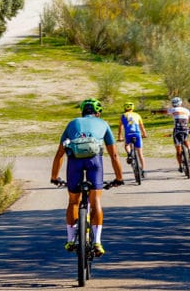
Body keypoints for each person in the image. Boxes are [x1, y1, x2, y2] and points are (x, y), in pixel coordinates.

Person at [50, 98, 124, 257]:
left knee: (73, 201)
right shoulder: (103, 123)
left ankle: (70, 239)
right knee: (95, 200)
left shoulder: (72, 123)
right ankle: (97, 241)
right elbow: (114, 155)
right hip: (94, 161)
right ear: (98, 113)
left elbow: (59, 154)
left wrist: (54, 177)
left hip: (74, 162)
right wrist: (119, 178)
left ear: (82, 111)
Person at [117, 101, 148, 178]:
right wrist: (144, 134)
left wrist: (119, 136)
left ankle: (129, 154)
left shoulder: (123, 115)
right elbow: (141, 126)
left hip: (128, 134)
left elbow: (120, 127)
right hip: (137, 134)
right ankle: (143, 170)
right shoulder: (137, 115)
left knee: (127, 145)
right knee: (140, 153)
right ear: (132, 108)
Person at [167, 97, 190, 172]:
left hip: (177, 130)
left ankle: (180, 166)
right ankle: (189, 150)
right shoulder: (186, 110)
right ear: (180, 103)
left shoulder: (173, 109)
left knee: (178, 151)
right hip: (185, 129)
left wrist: (155, 112)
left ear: (173, 104)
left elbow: (165, 112)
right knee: (185, 139)